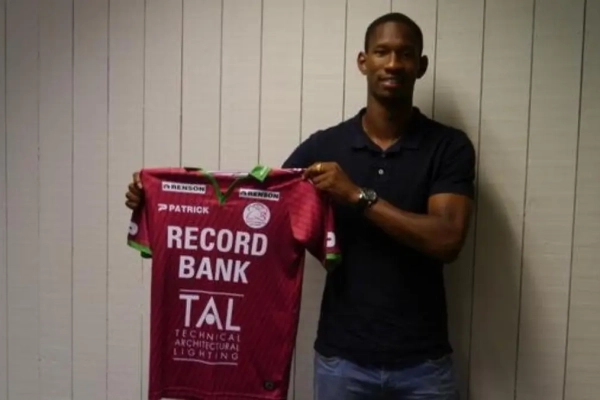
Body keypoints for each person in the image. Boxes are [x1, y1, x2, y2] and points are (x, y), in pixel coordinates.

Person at [126, 12, 475, 400]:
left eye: (405, 54)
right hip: (342, 361)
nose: (393, 63)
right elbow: (255, 209)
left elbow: (447, 239)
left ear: (420, 66)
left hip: (424, 365)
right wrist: (166, 199)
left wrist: (357, 196)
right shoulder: (325, 146)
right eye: (382, 52)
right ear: (363, 62)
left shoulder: (448, 146)